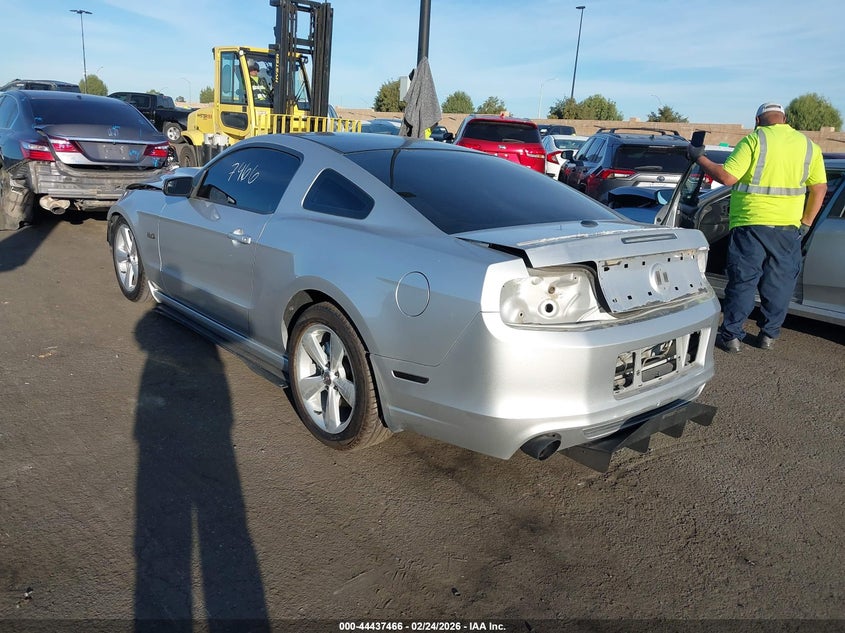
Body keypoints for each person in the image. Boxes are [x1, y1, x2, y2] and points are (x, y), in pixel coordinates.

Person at [688, 102, 827, 353]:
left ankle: (731, 336)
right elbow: (819, 188)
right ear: (784, 119)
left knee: (744, 281)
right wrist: (806, 223)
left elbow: (727, 178)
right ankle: (768, 335)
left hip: (750, 224)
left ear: (757, 119)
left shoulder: (754, 141)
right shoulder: (809, 146)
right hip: (788, 228)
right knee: (779, 283)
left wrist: (699, 157)